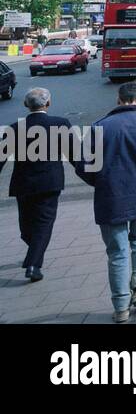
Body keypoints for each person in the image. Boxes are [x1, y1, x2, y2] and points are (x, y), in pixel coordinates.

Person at [75, 82, 136, 323]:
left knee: (117, 253)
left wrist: (101, 182)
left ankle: (121, 308)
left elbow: (83, 166)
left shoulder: (99, 127)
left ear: (118, 100)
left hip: (109, 198)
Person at [0, 88, 71, 282]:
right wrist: (92, 174)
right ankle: (35, 256)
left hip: (23, 184)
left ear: (26, 105)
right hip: (49, 183)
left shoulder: (14, 128)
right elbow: (74, 154)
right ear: (48, 104)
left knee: (27, 226)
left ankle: (33, 262)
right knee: (41, 226)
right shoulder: (60, 124)